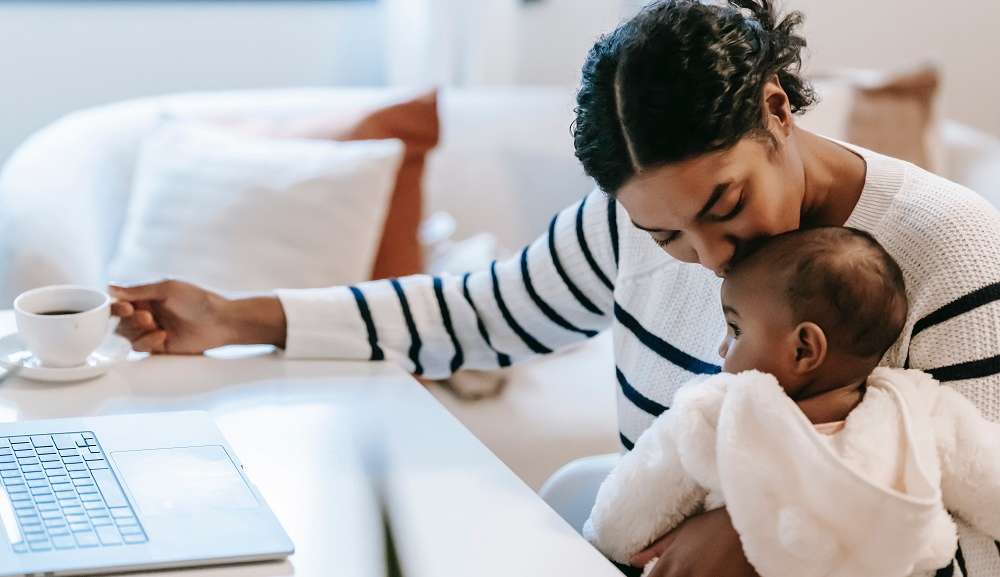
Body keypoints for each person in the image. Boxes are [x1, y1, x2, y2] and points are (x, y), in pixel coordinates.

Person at [111, 1, 1000, 575]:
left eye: (724, 205)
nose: (707, 257)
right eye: (665, 235)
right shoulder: (630, 227)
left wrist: (766, 535)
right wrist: (236, 316)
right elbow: (480, 312)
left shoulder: (949, 251)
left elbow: (983, 545)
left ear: (776, 109)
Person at [584, 227, 1000, 577]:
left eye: (735, 330)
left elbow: (622, 522)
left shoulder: (722, 411)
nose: (721, 347)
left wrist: (603, 542)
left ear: (804, 349)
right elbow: (989, 487)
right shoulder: (921, 409)